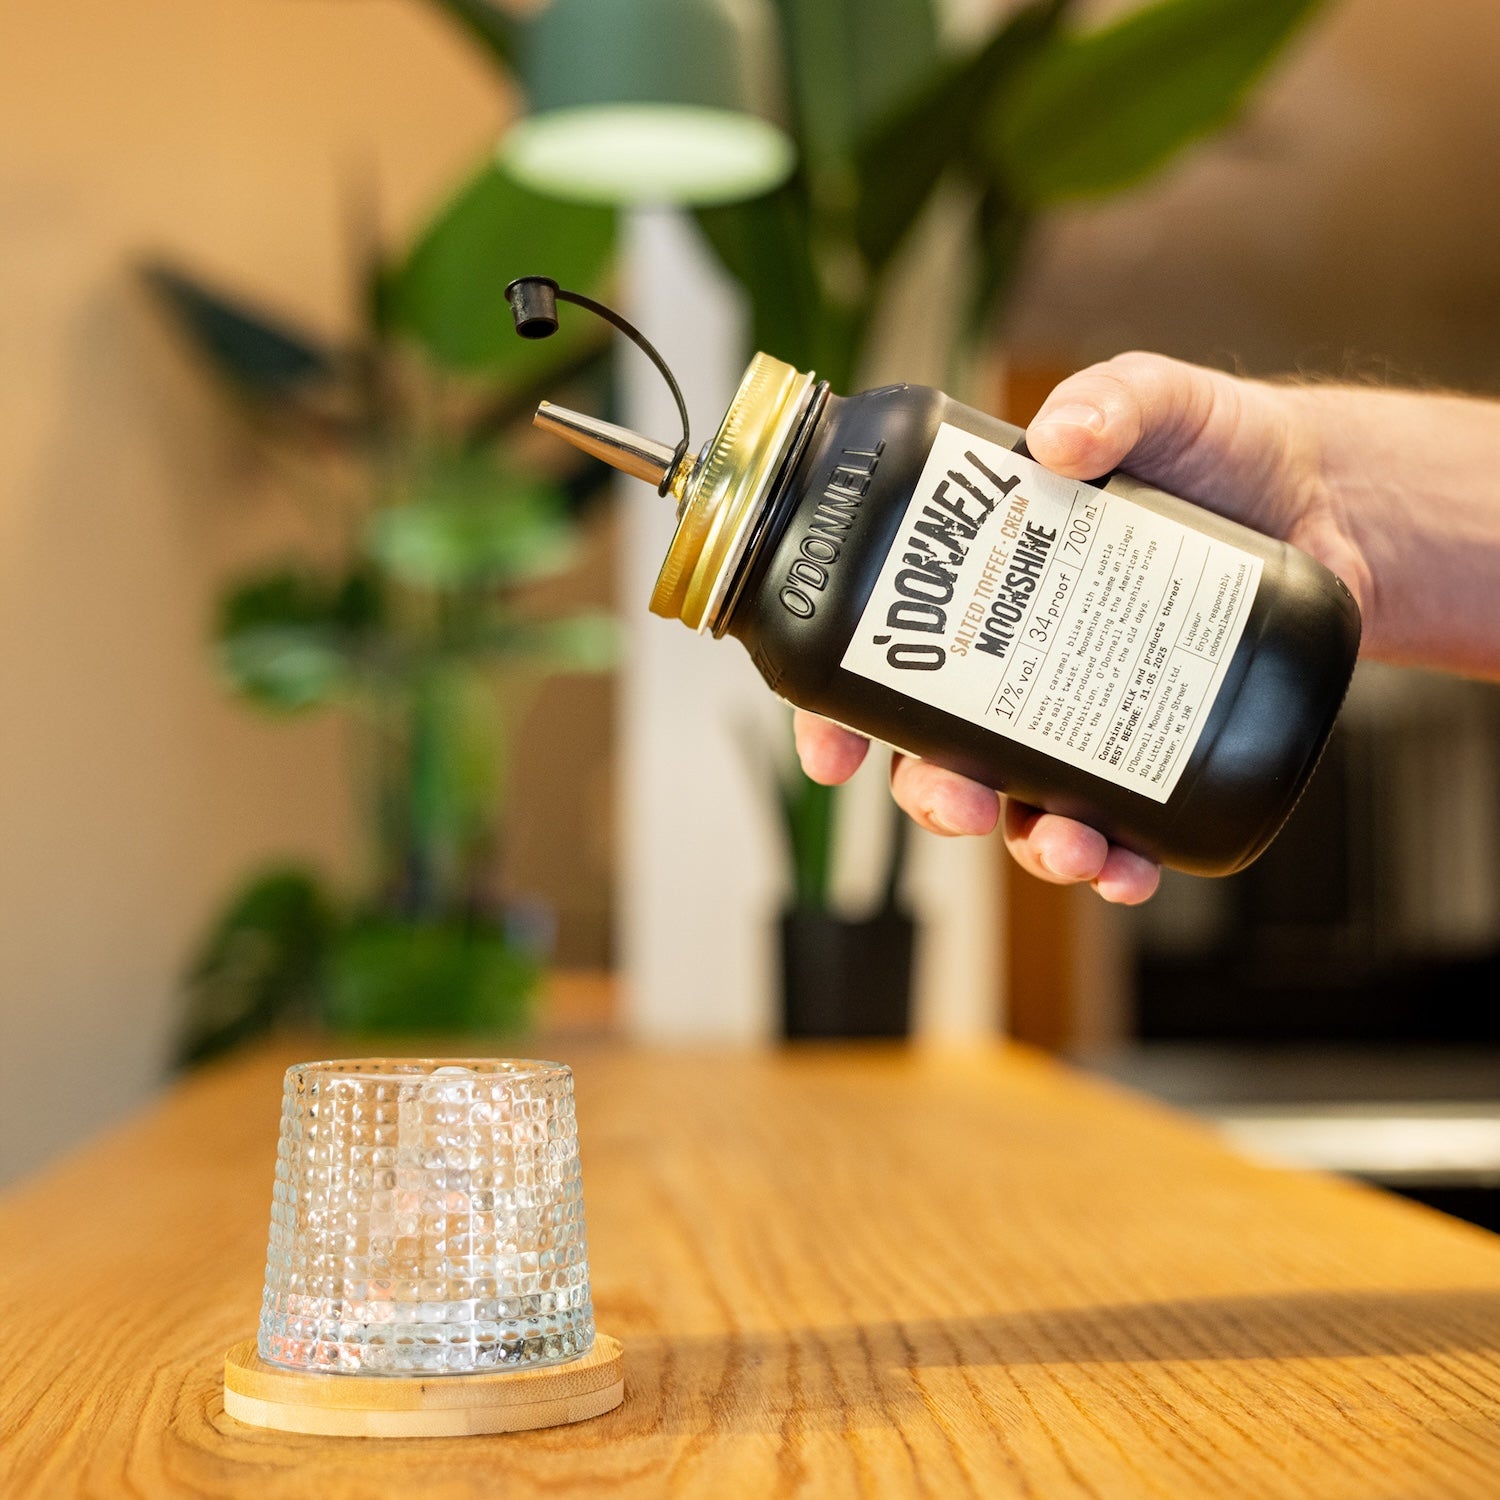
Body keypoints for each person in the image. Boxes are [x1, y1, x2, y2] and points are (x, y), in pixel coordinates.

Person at [794, 352, 1500, 904]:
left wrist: (1318, 487)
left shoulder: (894, 427)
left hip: (1246, 621)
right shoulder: (802, 636)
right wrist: (1320, 488)